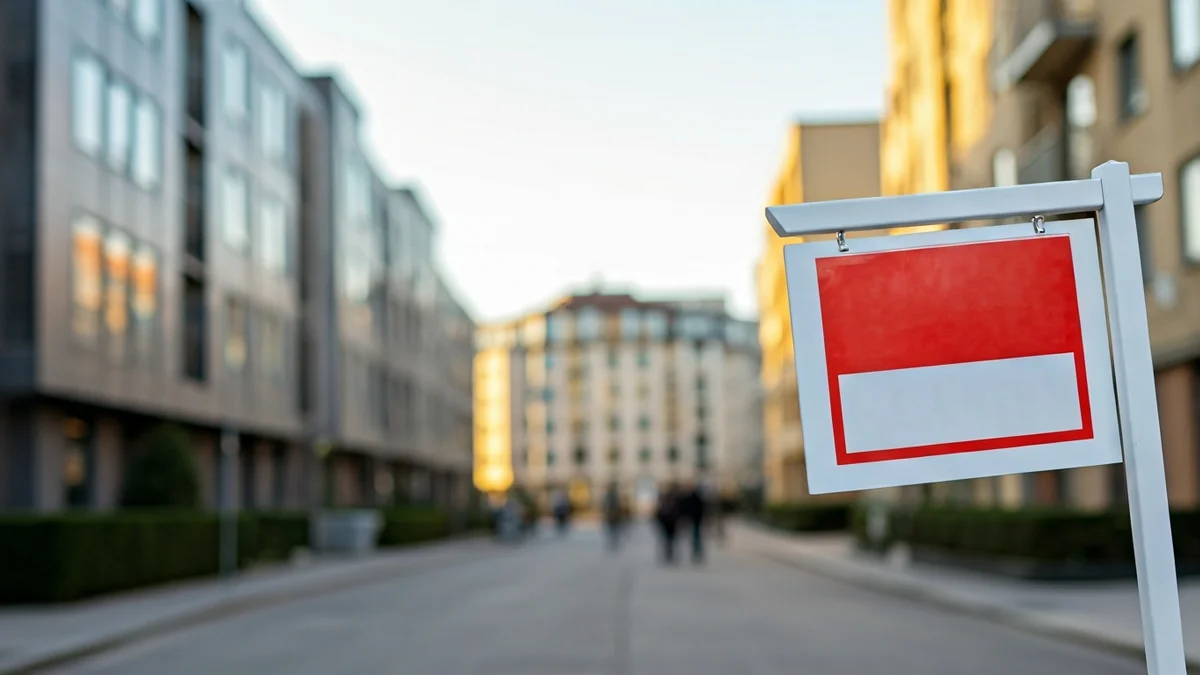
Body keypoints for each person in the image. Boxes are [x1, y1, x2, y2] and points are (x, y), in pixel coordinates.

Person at [678, 482, 707, 564]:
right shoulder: (694, 498)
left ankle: (696, 552)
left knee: (695, 537)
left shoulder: (693, 498)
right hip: (695, 519)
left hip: (695, 519)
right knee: (695, 537)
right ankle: (696, 552)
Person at [654, 483, 680, 564]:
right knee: (669, 540)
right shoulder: (667, 504)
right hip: (668, 524)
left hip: (670, 524)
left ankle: (669, 553)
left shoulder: (672, 504)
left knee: (670, 540)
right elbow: (659, 514)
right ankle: (669, 553)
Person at [602, 482, 623, 552]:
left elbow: (606, 505)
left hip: (612, 516)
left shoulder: (612, 496)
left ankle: (613, 542)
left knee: (613, 530)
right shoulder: (612, 496)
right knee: (613, 530)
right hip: (612, 516)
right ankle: (613, 542)